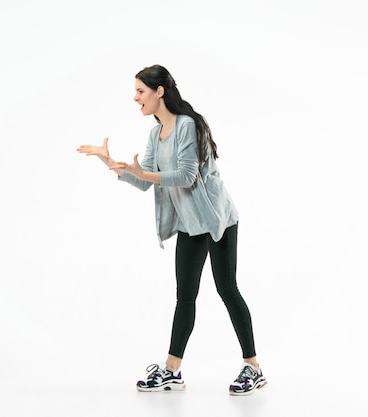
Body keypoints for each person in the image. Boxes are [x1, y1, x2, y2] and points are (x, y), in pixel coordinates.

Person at [76, 65, 266, 396]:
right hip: (190, 224)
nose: (135, 98)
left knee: (227, 289)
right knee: (185, 297)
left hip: (217, 220)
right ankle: (172, 371)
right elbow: (145, 181)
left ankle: (253, 367)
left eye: (140, 91)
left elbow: (187, 175)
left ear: (159, 91)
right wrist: (109, 162)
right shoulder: (155, 134)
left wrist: (145, 174)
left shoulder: (187, 125)